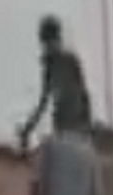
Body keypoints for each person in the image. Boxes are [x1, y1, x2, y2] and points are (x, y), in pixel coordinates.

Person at [16, 14, 94, 149]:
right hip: (62, 124)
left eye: (50, 41)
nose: (47, 46)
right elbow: (43, 102)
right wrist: (28, 128)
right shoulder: (49, 67)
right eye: (45, 43)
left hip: (77, 126)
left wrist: (87, 127)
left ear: (57, 39)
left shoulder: (70, 60)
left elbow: (84, 94)